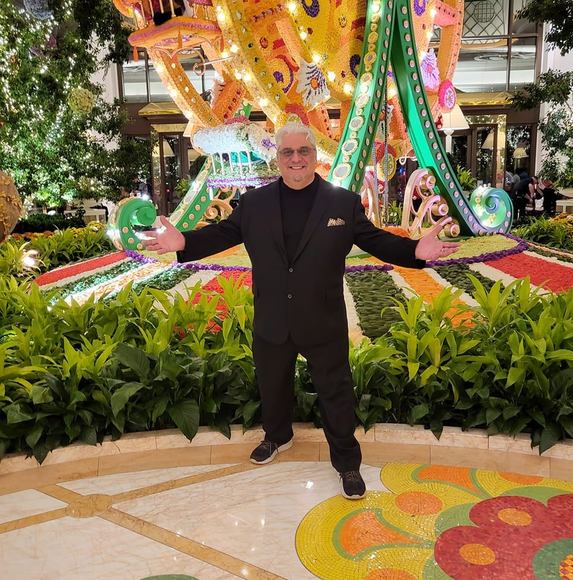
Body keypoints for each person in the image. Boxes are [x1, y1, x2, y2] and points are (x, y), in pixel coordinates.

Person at [143, 122, 459, 500]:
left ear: (313, 155)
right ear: (278, 158)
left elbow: (375, 240)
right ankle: (277, 436)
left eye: (303, 151)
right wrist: (183, 243)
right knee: (272, 385)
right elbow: (221, 234)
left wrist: (414, 252)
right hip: (273, 317)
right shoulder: (254, 204)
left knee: (336, 393)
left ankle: (347, 462)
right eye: (288, 152)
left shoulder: (341, 203)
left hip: (323, 320)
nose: (296, 159)